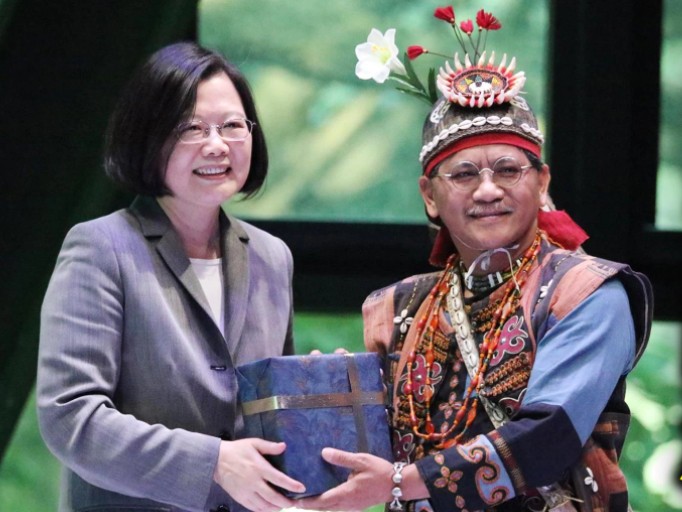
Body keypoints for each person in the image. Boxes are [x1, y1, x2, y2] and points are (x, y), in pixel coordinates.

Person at [299, 7, 653, 512]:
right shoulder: (400, 306)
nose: (487, 190)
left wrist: (400, 485)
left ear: (542, 181)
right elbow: (379, 448)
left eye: (507, 169)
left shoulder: (587, 292)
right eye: (463, 175)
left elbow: (547, 438)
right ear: (429, 195)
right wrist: (335, 400)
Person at [36, 41, 305, 512]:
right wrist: (212, 463)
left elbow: (269, 415)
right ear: (148, 137)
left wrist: (325, 392)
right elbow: (70, 417)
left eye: (232, 126)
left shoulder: (272, 257)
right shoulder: (102, 248)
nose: (217, 144)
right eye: (190, 128)